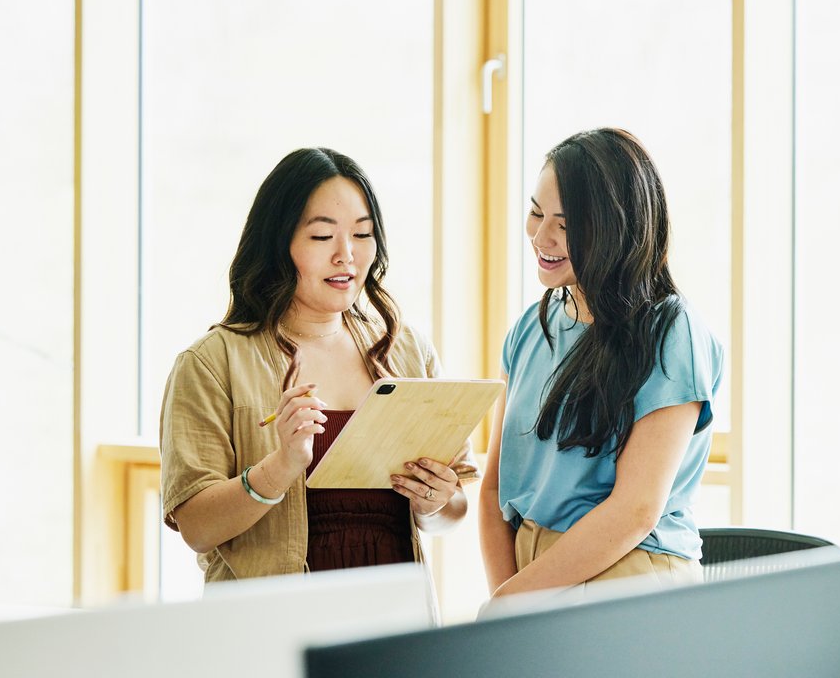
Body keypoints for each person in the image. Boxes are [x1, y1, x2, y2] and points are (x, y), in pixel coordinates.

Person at [160, 147, 477, 583]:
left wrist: (435, 501)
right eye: (323, 236)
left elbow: (451, 511)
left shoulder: (408, 351)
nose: (346, 254)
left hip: (397, 606)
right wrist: (281, 466)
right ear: (278, 243)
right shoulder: (211, 363)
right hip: (275, 616)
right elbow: (197, 528)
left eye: (362, 234)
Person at [479, 128, 724, 600]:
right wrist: (506, 598)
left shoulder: (671, 331)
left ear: (617, 228)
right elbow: (494, 493)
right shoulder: (530, 327)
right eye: (536, 213)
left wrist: (510, 602)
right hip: (533, 573)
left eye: (567, 225)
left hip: (627, 571)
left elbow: (635, 511)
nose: (541, 236)